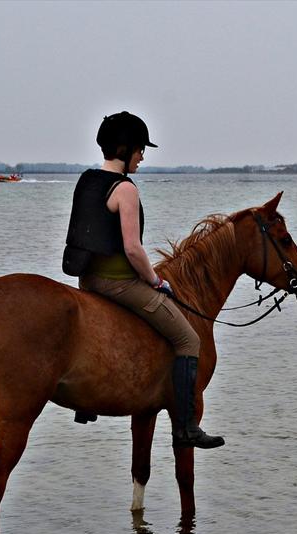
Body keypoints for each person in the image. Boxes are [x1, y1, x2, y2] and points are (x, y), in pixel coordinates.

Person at [63, 111, 224, 449]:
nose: (142, 156)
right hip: (118, 285)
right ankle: (186, 427)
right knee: (188, 340)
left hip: (87, 283)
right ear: (124, 149)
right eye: (139, 149)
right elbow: (133, 249)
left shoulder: (88, 180)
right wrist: (154, 280)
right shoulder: (125, 189)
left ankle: (84, 403)